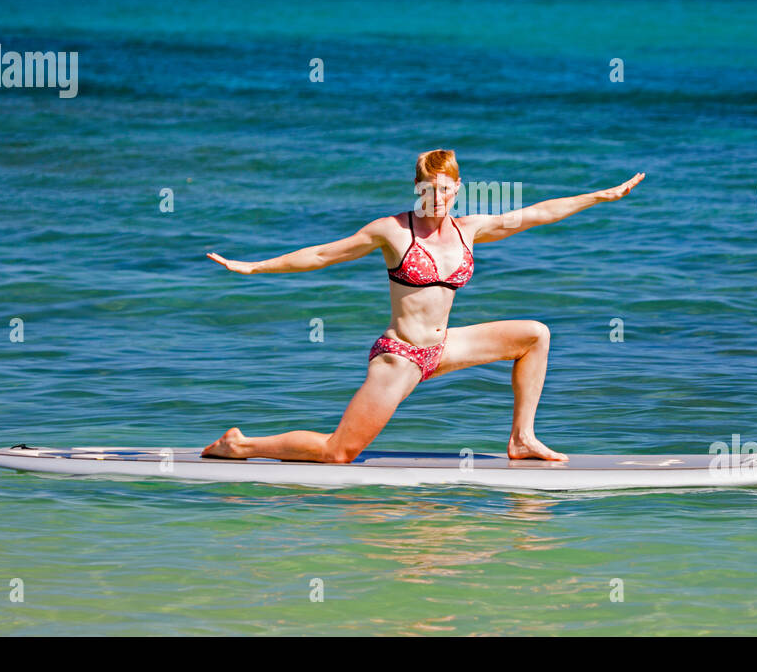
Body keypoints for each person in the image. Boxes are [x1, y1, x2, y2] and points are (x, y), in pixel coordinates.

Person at [202, 149, 644, 463]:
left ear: (458, 189)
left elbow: (540, 212)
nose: (439, 200)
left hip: (445, 346)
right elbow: (322, 254)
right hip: (401, 357)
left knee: (535, 334)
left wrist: (601, 196)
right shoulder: (393, 232)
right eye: (430, 191)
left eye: (447, 191)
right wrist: (255, 267)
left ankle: (522, 438)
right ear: (418, 188)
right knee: (339, 452)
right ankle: (240, 444)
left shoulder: (471, 228)